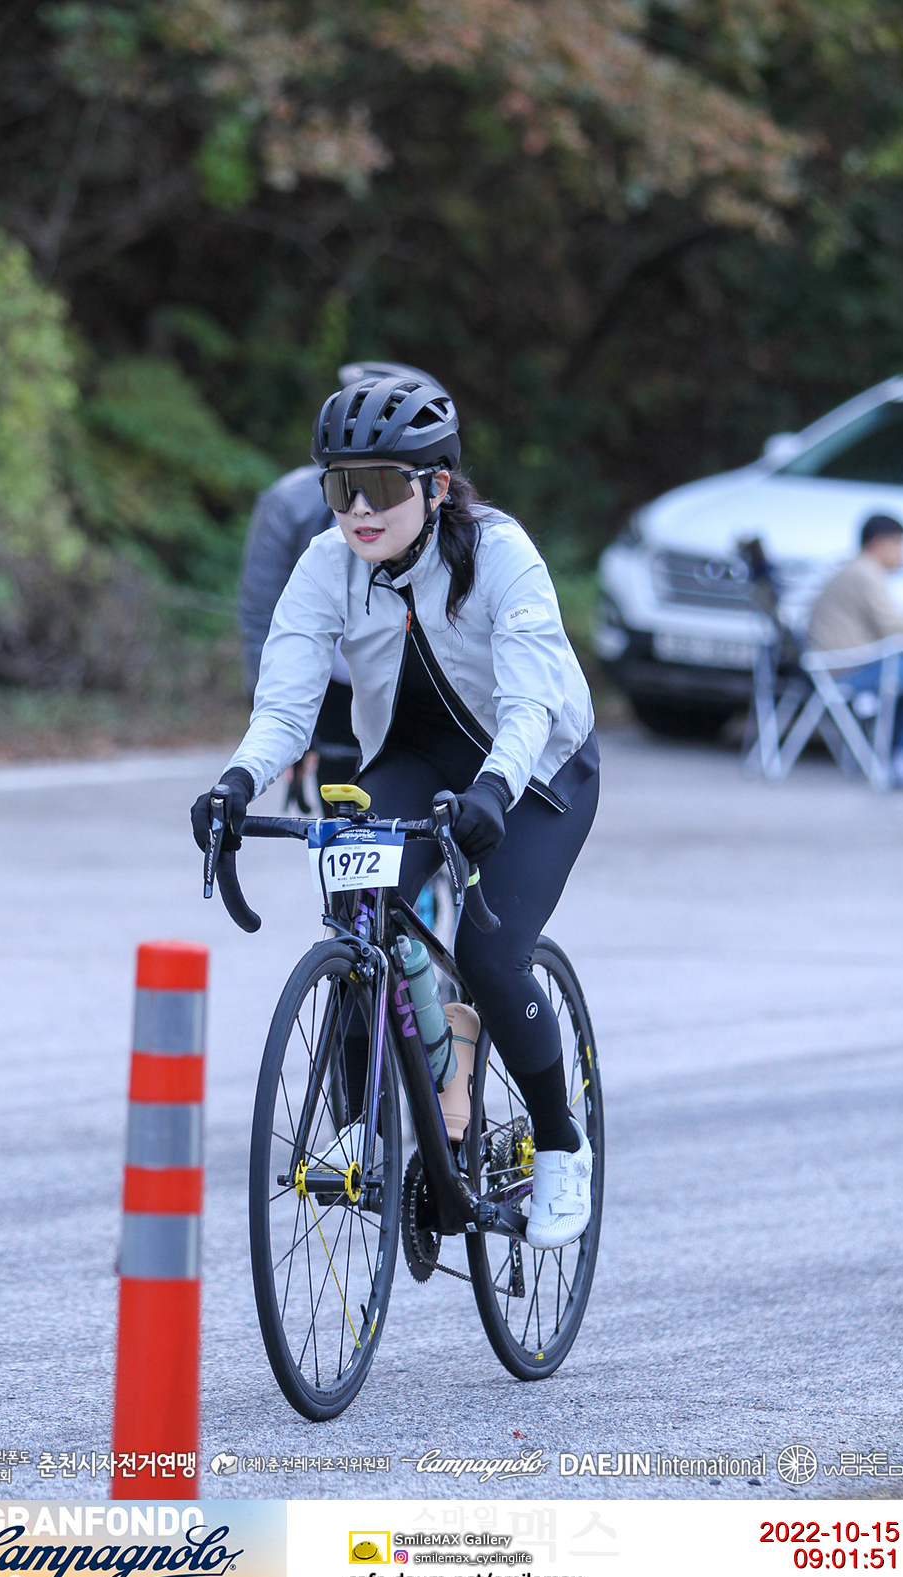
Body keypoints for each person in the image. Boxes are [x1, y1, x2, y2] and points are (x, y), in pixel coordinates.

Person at [193, 374, 600, 1249]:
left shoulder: (501, 556)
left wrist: (494, 789)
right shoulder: (327, 563)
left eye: (381, 486)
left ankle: (562, 1146)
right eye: (341, 487)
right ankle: (368, 1119)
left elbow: (530, 703)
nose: (358, 511)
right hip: (412, 761)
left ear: (437, 485)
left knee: (491, 956)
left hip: (536, 771)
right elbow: (287, 705)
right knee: (359, 918)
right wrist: (237, 781)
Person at [237, 361, 441, 806]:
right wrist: (286, 733)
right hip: (333, 683)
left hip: (417, 679)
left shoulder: (425, 496)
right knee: (345, 816)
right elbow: (261, 617)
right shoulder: (287, 504)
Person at [808, 513, 903, 788]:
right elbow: (893, 628)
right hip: (846, 669)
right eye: (900, 544)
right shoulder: (866, 573)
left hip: (841, 663)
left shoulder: (856, 568)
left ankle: (900, 754)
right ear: (881, 544)